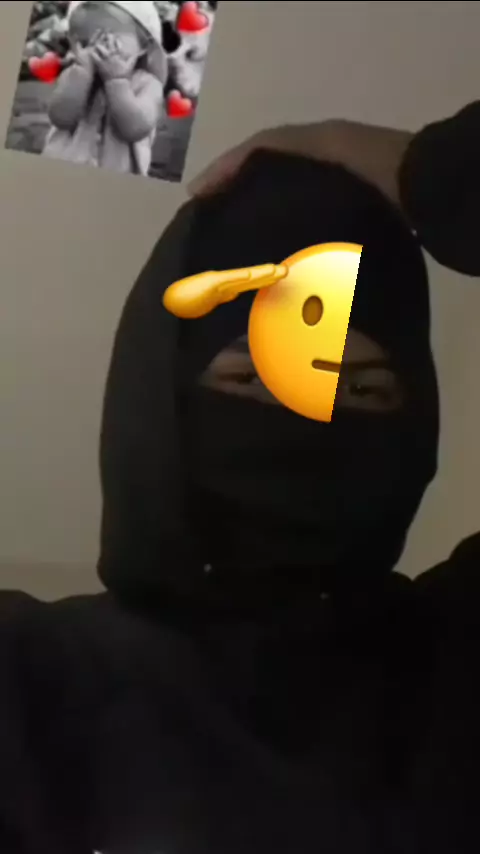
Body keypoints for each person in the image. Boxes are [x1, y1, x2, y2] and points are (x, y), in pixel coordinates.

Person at [1, 102, 480, 854]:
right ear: (159, 393)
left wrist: (433, 173)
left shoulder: (460, 657)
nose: (308, 431)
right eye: (255, 380)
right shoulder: (27, 683)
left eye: (359, 390)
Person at [43, 1, 167, 176]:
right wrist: (82, 73)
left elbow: (135, 129)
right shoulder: (73, 74)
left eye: (110, 40)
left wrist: (117, 81)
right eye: (86, 42)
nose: (98, 49)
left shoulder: (148, 84)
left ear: (143, 46)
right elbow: (60, 117)